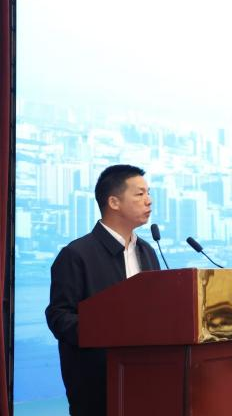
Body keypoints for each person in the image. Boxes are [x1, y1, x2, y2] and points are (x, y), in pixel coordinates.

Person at [45, 164, 161, 416]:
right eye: (140, 194)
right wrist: (110, 330)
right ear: (114, 202)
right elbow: (59, 317)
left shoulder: (147, 252)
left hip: (147, 380)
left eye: (149, 193)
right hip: (97, 387)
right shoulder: (76, 255)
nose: (149, 200)